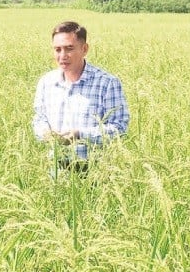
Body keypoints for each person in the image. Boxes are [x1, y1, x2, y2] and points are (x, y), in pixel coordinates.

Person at [33, 21, 130, 173]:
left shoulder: (107, 83)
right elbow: (39, 119)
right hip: (56, 171)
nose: (63, 56)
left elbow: (119, 129)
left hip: (96, 171)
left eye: (69, 48)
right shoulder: (46, 82)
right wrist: (46, 133)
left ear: (84, 49)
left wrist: (79, 135)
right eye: (57, 50)